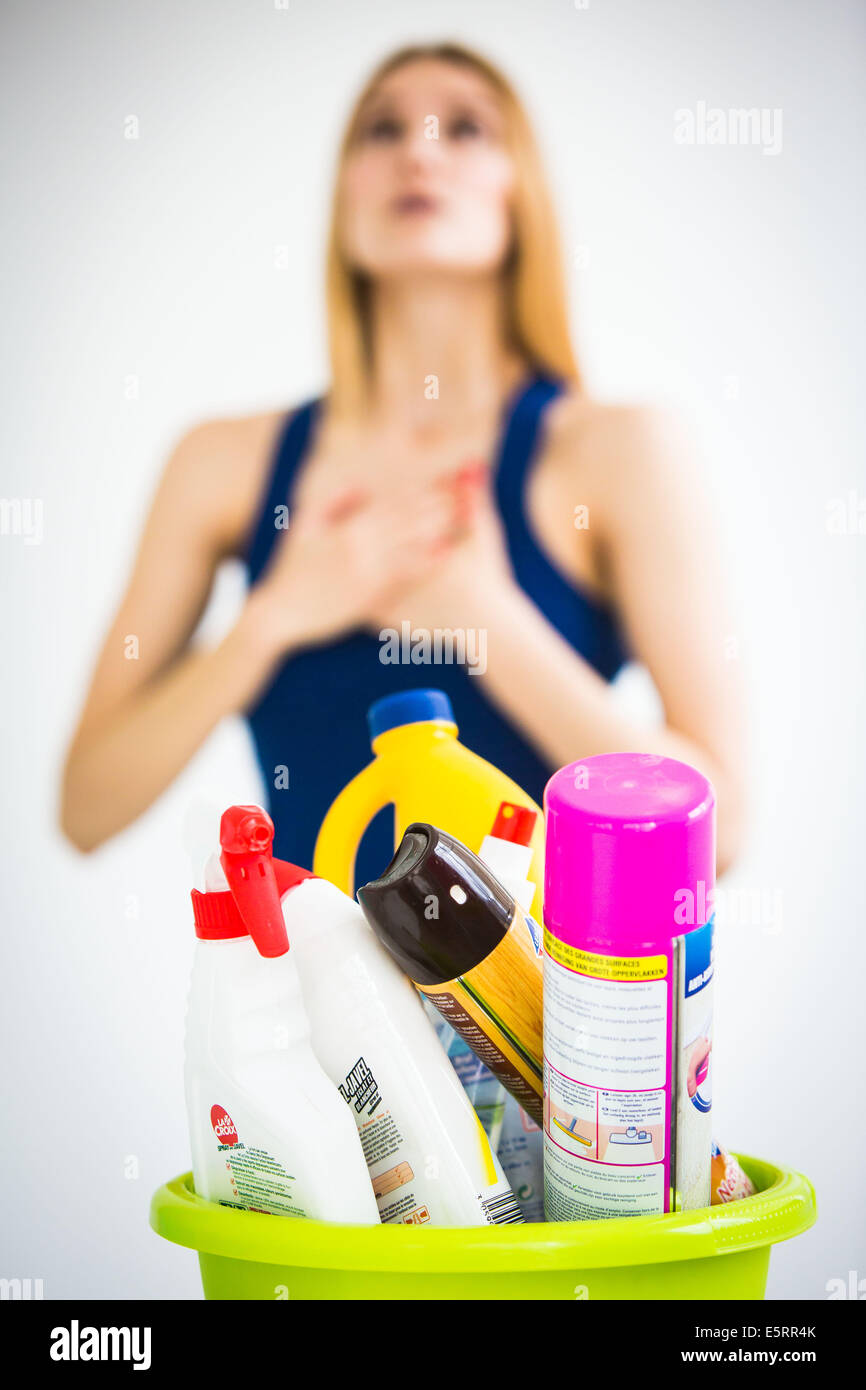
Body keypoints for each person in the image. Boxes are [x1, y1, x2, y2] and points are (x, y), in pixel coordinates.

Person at [61, 42, 744, 881]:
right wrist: (272, 618)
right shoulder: (220, 464)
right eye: (382, 129)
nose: (419, 149)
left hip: (542, 1012)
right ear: (344, 199)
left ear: (519, 193)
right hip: (307, 1010)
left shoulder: (619, 451)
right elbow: (85, 807)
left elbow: (723, 829)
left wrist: (484, 619)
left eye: (465, 129)